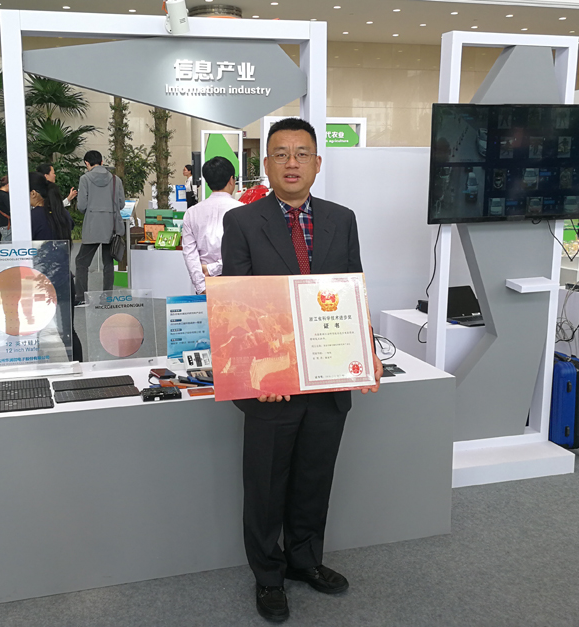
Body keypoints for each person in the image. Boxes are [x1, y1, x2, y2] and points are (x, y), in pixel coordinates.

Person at [221, 117, 383, 623]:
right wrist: (255, 374)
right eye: (281, 154)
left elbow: (353, 291)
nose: (292, 163)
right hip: (272, 383)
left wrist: (366, 351)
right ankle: (269, 575)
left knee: (315, 475)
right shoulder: (242, 222)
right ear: (266, 165)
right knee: (267, 484)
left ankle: (305, 560)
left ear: (317, 162)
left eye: (302, 153)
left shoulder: (342, 218)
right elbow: (239, 307)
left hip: (329, 375)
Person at [28, 172, 83, 362]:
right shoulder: (62, 214)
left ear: (34, 193)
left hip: (39, 282)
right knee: (68, 331)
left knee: (35, 331)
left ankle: (36, 369)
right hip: (64, 280)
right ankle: (79, 369)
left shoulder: (31, 218)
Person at [180, 157, 242, 295]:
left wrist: (201, 286)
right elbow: (243, 255)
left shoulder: (192, 213)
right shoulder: (244, 210)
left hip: (205, 282)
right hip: (237, 283)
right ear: (231, 180)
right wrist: (214, 268)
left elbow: (189, 253)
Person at [74, 150, 125, 304]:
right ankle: (107, 297)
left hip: (92, 226)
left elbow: (81, 206)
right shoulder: (116, 180)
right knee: (108, 263)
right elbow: (121, 204)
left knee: (81, 262)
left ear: (86, 163)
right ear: (102, 162)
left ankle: (81, 297)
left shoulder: (84, 179)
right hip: (111, 227)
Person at [0, 176, 11, 242]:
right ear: (8, 184)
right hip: (7, 224)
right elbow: (10, 209)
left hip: (3, 224)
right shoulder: (4, 195)